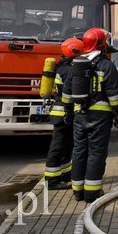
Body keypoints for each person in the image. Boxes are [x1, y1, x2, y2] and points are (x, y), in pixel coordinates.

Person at [61, 28, 118, 203]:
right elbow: (114, 94)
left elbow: (66, 92)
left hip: (79, 115)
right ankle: (92, 193)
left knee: (79, 151)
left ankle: (77, 191)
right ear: (101, 43)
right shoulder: (106, 65)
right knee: (96, 153)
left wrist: (68, 112)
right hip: (100, 118)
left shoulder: (76, 65)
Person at [43, 37, 84, 190]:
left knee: (66, 145)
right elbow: (70, 91)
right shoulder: (68, 70)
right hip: (63, 112)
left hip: (61, 111)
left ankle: (66, 175)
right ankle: (51, 180)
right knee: (58, 146)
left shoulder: (62, 66)